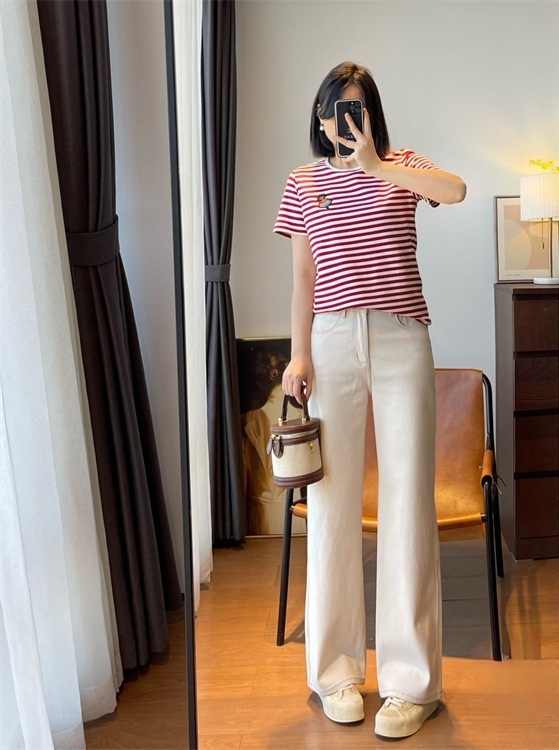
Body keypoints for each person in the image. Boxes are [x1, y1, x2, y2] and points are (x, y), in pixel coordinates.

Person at [273, 61, 466, 740]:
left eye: (357, 108)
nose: (345, 120)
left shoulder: (401, 166)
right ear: (319, 116)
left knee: (407, 500)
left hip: (400, 338)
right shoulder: (302, 182)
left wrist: (377, 164)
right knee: (331, 506)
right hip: (330, 341)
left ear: (371, 114)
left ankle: (412, 685)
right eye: (335, 108)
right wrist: (298, 354)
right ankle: (334, 675)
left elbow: (456, 190)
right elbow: (303, 277)